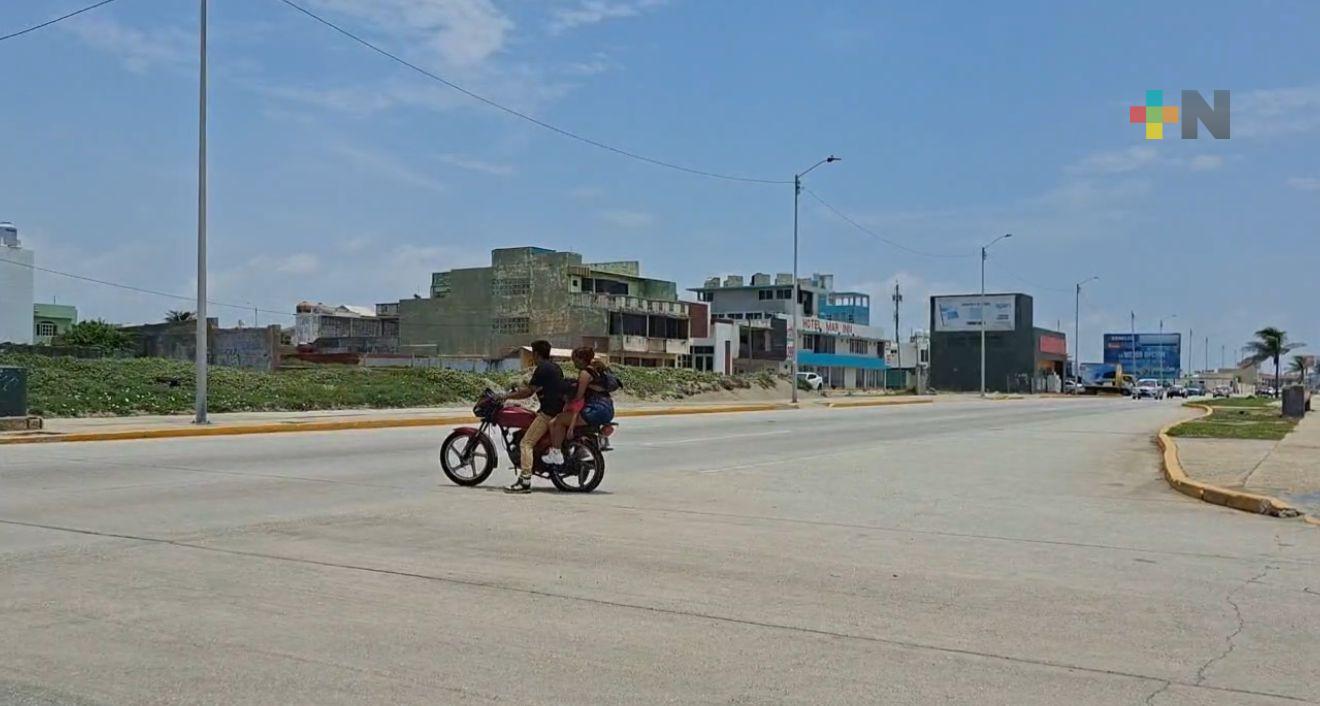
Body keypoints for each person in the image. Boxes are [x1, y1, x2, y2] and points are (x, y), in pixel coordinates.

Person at [499, 340, 564, 493]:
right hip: (555, 409)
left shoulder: (542, 368)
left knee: (526, 443)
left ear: (535, 354)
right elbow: (540, 388)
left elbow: (529, 392)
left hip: (548, 412)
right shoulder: (555, 367)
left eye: (532, 354)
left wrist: (506, 396)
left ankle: (525, 481)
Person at [543, 347, 617, 463]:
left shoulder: (585, 373)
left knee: (557, 421)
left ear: (582, 360)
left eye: (575, 360)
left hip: (595, 410)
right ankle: (583, 446)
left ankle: (556, 453)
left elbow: (579, 396)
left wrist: (566, 398)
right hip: (608, 408)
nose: (574, 363)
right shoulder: (597, 370)